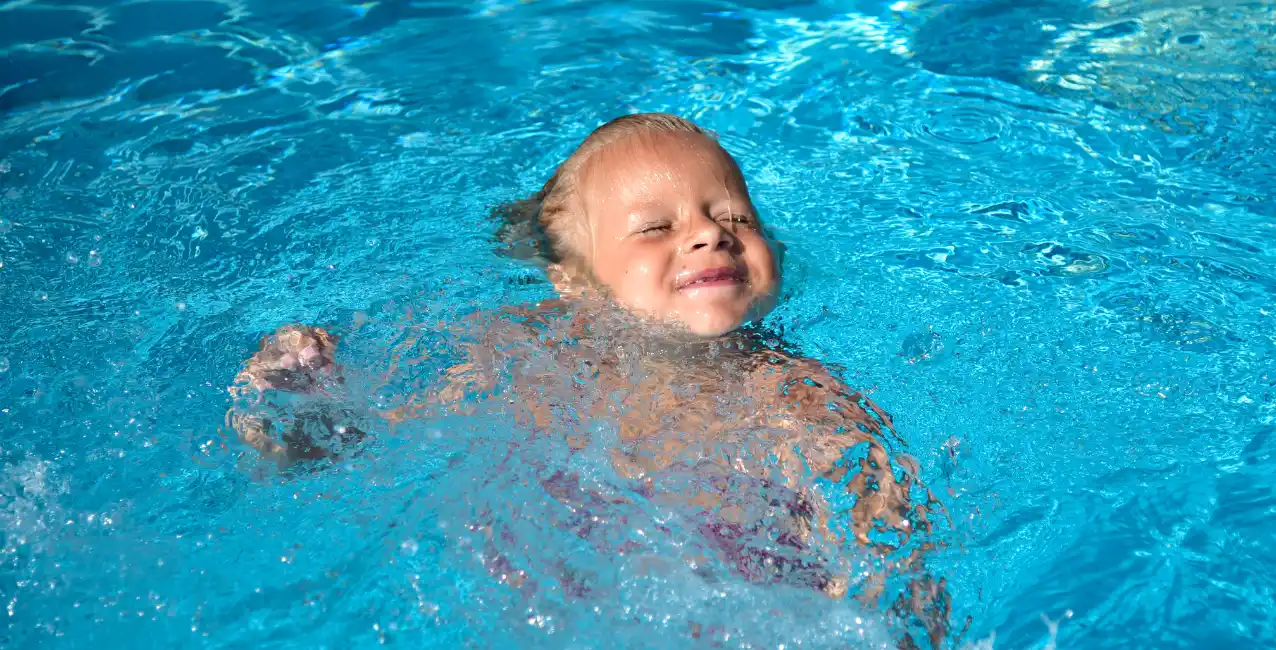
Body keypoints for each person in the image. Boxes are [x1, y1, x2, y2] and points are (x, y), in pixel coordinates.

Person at [226, 113, 950, 648]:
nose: (709, 234)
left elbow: (887, 533)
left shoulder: (795, 391)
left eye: (733, 215)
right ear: (572, 282)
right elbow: (387, 439)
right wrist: (316, 397)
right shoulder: (520, 353)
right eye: (654, 228)